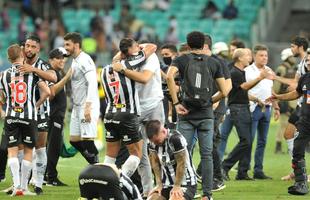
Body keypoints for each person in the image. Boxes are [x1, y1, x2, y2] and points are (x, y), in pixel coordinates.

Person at [167, 31, 229, 200]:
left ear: (187, 44)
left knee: (181, 153)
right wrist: (210, 100)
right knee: (206, 155)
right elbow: (224, 91)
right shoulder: (214, 62)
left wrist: (176, 103)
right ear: (204, 45)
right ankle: (207, 195)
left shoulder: (180, 60)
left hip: (186, 113)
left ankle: (182, 189)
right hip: (206, 115)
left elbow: (169, 76)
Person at [112, 38, 164, 198]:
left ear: (138, 47)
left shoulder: (150, 56)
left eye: (136, 49)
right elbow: (114, 61)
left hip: (153, 104)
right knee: (140, 153)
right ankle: (148, 191)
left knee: (159, 147)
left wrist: (123, 69)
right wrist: (121, 57)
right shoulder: (125, 58)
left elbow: (145, 78)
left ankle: (163, 185)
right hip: (136, 109)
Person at [101, 39, 156, 178]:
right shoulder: (127, 64)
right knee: (136, 154)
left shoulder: (104, 70)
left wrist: (126, 50)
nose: (138, 47)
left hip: (109, 114)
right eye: (136, 46)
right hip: (127, 114)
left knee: (110, 156)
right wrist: (138, 49)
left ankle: (105, 184)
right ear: (129, 51)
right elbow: (152, 47)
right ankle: (121, 181)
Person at [0, 44, 50, 196]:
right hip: (29, 117)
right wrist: (35, 105)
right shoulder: (31, 73)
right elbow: (47, 91)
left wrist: (3, 108)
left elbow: (1, 97)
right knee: (29, 152)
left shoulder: (3, 75)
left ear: (9, 58)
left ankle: (16, 187)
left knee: (12, 152)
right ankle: (24, 187)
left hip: (11, 116)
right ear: (22, 54)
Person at [221, 48, 272, 181]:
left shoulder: (240, 72)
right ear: (239, 58)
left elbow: (240, 92)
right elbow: (244, 87)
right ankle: (225, 167)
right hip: (238, 109)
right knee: (246, 141)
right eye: (247, 55)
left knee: (247, 141)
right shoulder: (235, 73)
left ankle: (242, 172)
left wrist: (255, 99)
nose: (249, 57)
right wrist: (260, 77)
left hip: (243, 107)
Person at [266, 53, 310, 195]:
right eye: (307, 60)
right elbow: (296, 94)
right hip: (305, 120)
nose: (308, 62)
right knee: (297, 151)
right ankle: (301, 184)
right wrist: (278, 97)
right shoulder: (305, 78)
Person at [18, 34, 57, 195]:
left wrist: (33, 69)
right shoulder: (18, 64)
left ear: (38, 48)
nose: (29, 49)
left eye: (33, 46)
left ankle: (39, 183)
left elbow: (53, 77)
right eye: (27, 45)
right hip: (21, 114)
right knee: (20, 148)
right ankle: (21, 183)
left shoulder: (43, 64)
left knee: (40, 148)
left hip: (40, 114)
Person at [273, 36, 309, 181]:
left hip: (306, 105)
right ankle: (297, 169)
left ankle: (300, 171)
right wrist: (279, 96)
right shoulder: (302, 63)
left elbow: (295, 84)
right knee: (288, 134)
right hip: (302, 104)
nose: (291, 49)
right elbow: (297, 84)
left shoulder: (308, 59)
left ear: (300, 47)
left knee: (295, 136)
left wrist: (274, 77)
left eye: (293, 46)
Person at [64, 32, 100, 165]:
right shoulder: (75, 60)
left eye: (68, 44)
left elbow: (93, 82)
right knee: (74, 140)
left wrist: (88, 106)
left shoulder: (85, 59)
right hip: (77, 106)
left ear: (76, 45)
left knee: (87, 140)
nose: (65, 47)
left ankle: (98, 170)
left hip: (87, 105)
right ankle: (92, 160)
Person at [245, 44, 280, 179]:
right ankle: (244, 169)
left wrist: (276, 106)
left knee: (262, 141)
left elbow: (271, 90)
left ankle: (258, 170)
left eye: (266, 55)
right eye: (261, 55)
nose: (264, 58)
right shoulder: (248, 71)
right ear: (254, 56)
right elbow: (244, 89)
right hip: (254, 108)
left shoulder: (269, 70)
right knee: (249, 140)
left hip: (267, 108)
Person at [146, 120, 197, 200]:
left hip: (185, 183)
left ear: (163, 131)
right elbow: (155, 162)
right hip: (166, 184)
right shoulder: (153, 142)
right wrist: (159, 184)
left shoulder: (175, 139)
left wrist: (177, 186)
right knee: (152, 198)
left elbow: (181, 163)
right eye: (153, 142)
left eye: (157, 141)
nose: (155, 144)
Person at [45, 47, 72, 186]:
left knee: (50, 145)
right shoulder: (51, 73)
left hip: (56, 115)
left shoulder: (57, 72)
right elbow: (51, 92)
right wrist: (67, 77)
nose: (62, 60)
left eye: (63, 57)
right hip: (54, 115)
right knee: (53, 147)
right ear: (51, 60)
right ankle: (51, 177)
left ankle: (44, 175)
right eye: (58, 58)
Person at [273, 48, 297, 154]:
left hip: (293, 99)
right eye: (292, 57)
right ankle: (278, 146)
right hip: (284, 99)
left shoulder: (295, 68)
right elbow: (277, 85)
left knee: (293, 124)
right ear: (287, 57)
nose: (294, 59)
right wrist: (277, 97)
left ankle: (290, 146)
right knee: (283, 124)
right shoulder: (281, 68)